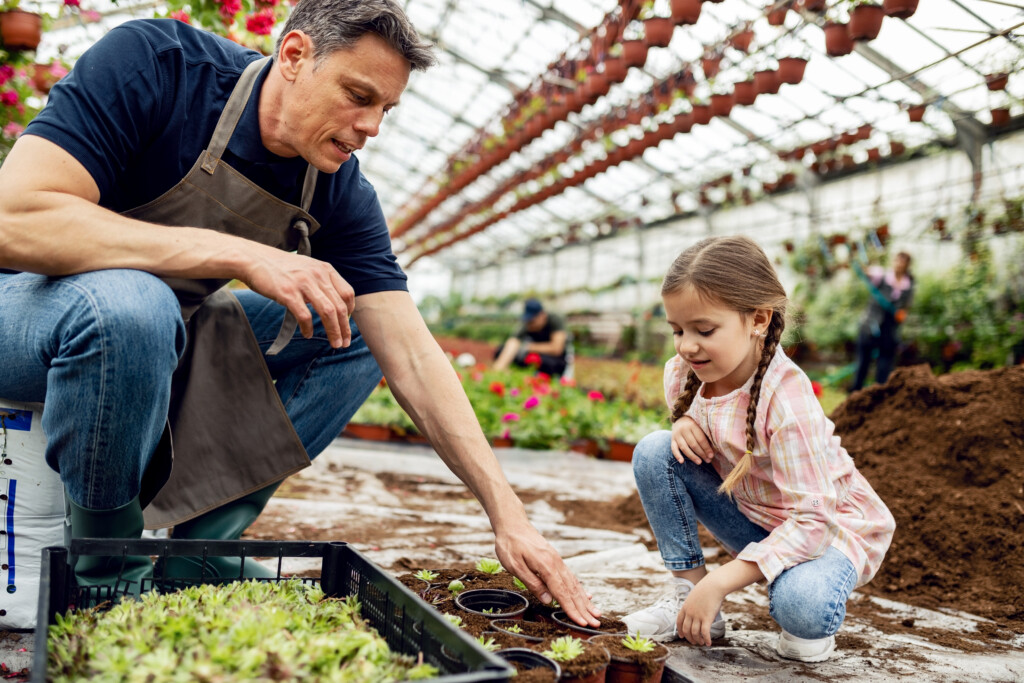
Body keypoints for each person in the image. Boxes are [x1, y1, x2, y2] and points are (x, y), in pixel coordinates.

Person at [0, 0, 600, 625]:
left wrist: (510, 518)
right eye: (358, 95)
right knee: (133, 304)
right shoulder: (159, 67)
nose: (371, 126)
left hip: (160, 333)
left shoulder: (337, 187)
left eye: (385, 109)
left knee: (355, 331)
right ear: (292, 56)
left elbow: (415, 357)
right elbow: (15, 218)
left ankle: (202, 548)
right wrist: (243, 254)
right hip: (26, 312)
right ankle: (107, 571)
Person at [621, 236, 895, 662]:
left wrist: (722, 581)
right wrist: (684, 422)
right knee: (656, 451)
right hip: (756, 518)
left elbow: (813, 521)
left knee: (802, 609)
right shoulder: (683, 372)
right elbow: (684, 430)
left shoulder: (786, 398)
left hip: (826, 533)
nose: (685, 346)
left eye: (704, 330)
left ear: (759, 320)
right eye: (677, 330)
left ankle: (797, 599)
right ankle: (687, 595)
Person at [851, 251, 914, 391]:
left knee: (884, 365)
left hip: (889, 329)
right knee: (863, 363)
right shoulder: (881, 275)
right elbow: (867, 272)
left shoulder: (908, 285)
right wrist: (859, 258)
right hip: (870, 325)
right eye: (897, 260)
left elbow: (906, 306)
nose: (899, 264)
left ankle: (879, 394)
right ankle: (855, 393)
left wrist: (902, 314)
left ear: (907, 265)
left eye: (902, 262)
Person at [493, 298, 571, 376]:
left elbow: (556, 349)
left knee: (546, 363)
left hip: (554, 358)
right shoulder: (526, 324)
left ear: (542, 315)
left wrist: (527, 347)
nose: (530, 325)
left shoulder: (554, 319)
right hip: (534, 353)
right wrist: (500, 366)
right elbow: (513, 342)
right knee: (501, 350)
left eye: (532, 321)